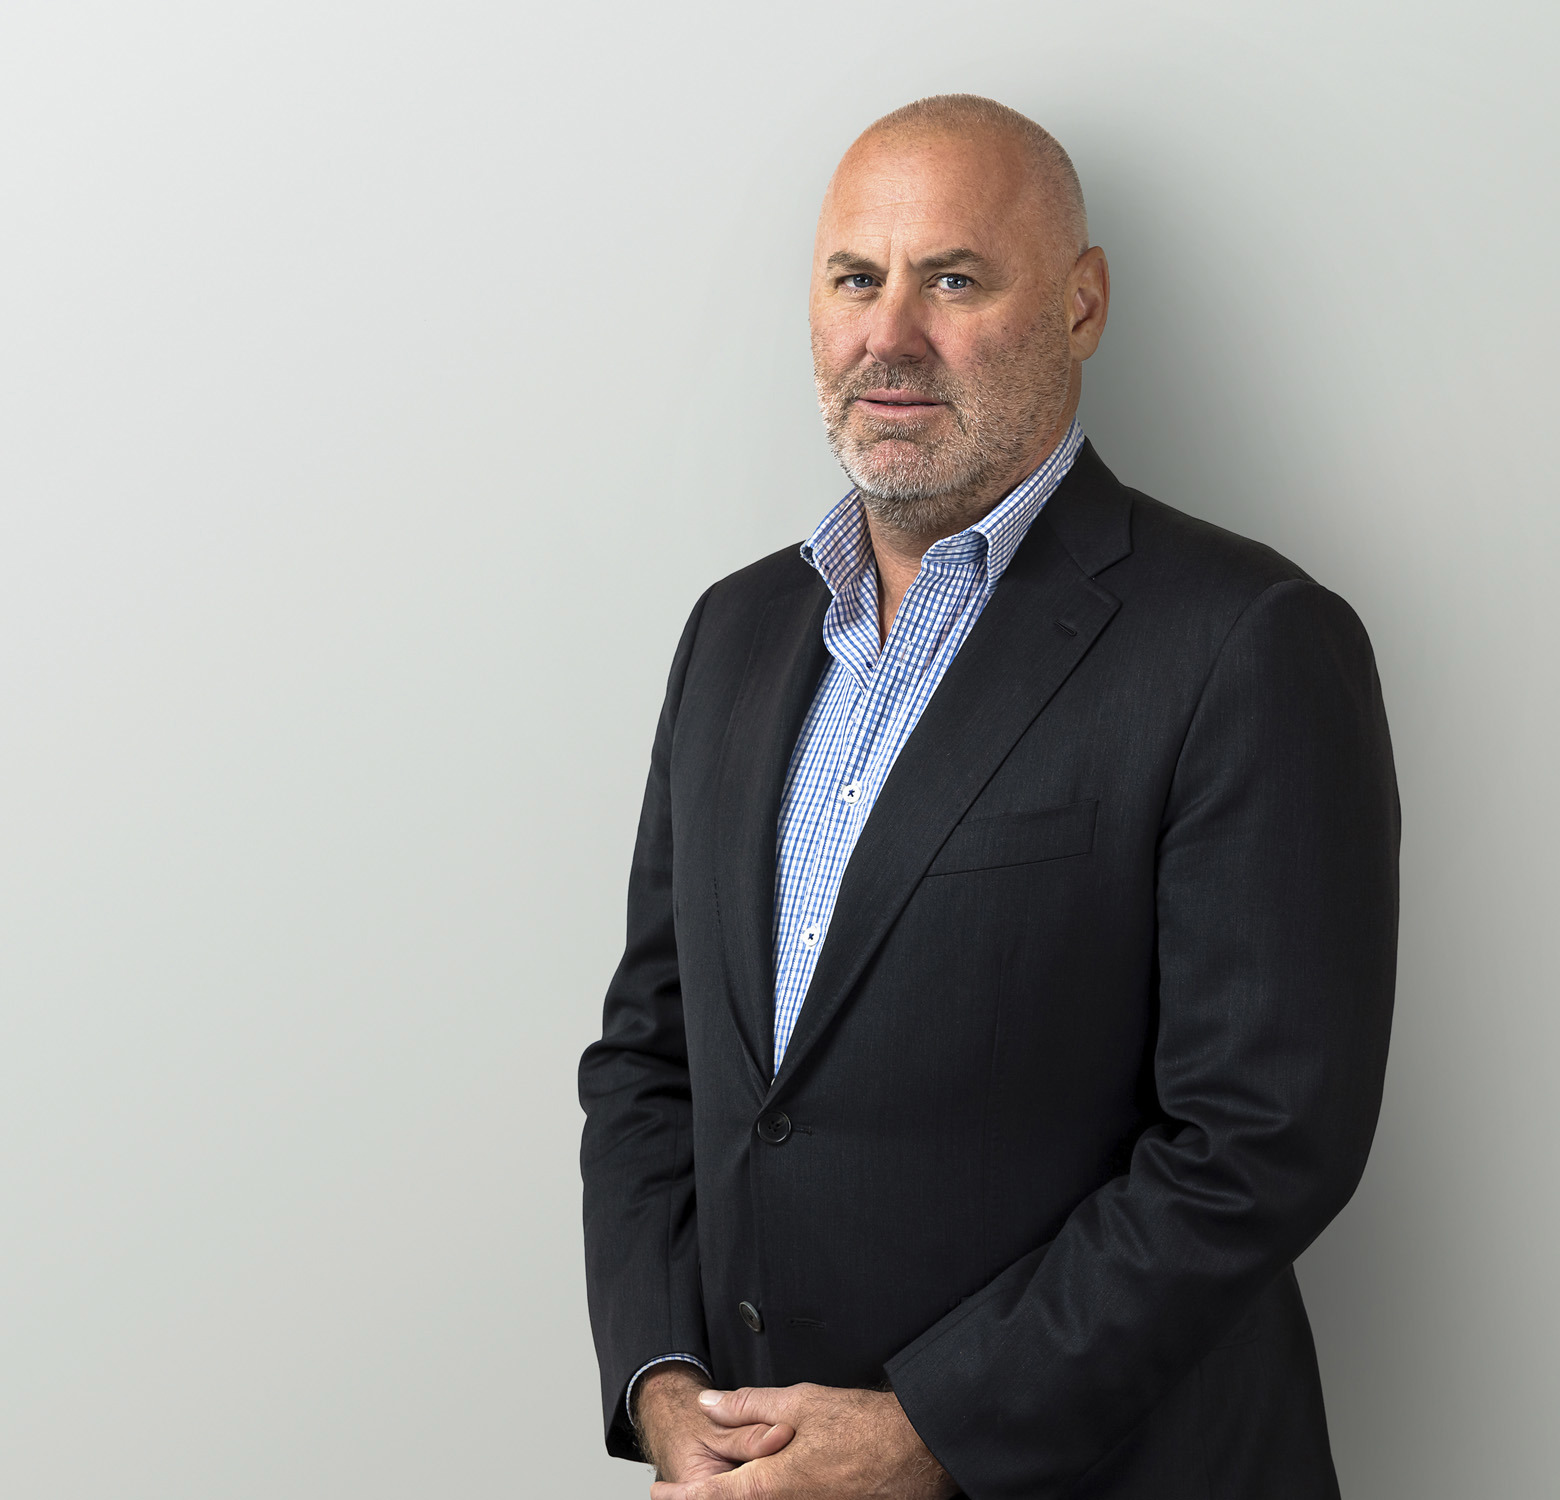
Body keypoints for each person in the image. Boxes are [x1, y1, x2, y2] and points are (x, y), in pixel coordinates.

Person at [578, 93, 1399, 1500]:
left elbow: (1261, 1142)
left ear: (1081, 305)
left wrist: (930, 1433)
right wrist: (663, 1382)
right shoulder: (735, 633)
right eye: (856, 278)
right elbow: (653, 1060)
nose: (890, 334)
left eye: (954, 279)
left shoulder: (1245, 641)